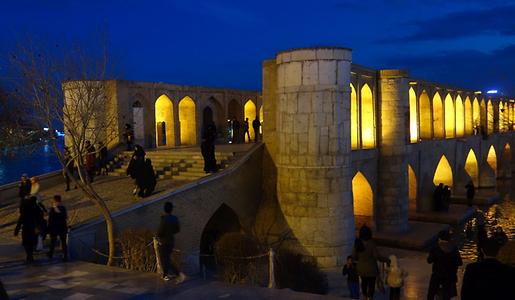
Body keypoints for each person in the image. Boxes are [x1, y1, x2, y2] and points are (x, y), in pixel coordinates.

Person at [352, 224, 390, 300]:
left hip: (361, 268)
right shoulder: (371, 243)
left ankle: (364, 297)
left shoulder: (357, 242)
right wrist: (386, 260)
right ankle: (370, 297)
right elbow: (377, 256)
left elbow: (354, 256)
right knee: (371, 285)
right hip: (371, 269)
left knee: (364, 283)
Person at [426, 230, 462, 300]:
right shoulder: (454, 249)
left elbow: (429, 260)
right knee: (446, 294)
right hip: (449, 276)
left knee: (431, 293)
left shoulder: (435, 248)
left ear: (439, 238)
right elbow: (460, 262)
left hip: (437, 274)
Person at [156, 202, 186, 283]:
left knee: (165, 259)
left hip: (164, 242)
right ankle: (165, 275)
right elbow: (177, 229)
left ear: (164, 209)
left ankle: (178, 274)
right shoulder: (174, 218)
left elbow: (159, 232)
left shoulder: (164, 219)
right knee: (166, 258)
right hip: (171, 241)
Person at [14, 196, 39, 263]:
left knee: (26, 244)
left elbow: (19, 222)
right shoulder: (35, 209)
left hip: (26, 229)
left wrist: (16, 230)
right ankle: (30, 256)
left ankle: (30, 256)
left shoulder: (24, 212)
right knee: (31, 243)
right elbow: (39, 219)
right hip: (33, 229)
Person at [47, 195, 68, 261]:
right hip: (62, 227)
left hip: (54, 228)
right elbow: (65, 217)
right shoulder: (63, 208)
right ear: (60, 200)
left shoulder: (53, 209)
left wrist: (49, 228)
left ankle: (50, 254)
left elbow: (50, 219)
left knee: (53, 242)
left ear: (54, 200)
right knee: (63, 243)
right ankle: (65, 256)